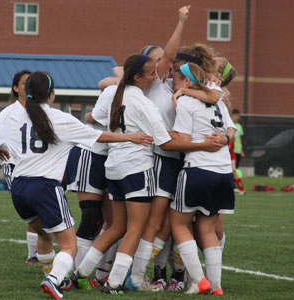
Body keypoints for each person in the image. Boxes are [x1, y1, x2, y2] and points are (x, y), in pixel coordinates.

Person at [0, 70, 154, 299]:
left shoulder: (14, 115)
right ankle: (54, 280)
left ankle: (53, 276)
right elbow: (99, 136)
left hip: (18, 188)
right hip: (44, 187)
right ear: (51, 94)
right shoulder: (58, 118)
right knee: (69, 246)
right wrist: (131, 137)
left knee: (44, 235)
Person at [74, 54, 223, 295]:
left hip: (113, 167)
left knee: (117, 227)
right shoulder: (143, 102)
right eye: (152, 73)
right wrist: (202, 145)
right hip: (136, 168)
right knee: (136, 228)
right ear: (137, 77)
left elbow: (96, 120)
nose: (157, 77)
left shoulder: (115, 93)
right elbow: (165, 143)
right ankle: (115, 283)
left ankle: (80, 271)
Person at [170, 62, 236, 295]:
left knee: (178, 223)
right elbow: (231, 129)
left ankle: (199, 280)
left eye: (176, 79)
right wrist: (225, 140)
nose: (174, 83)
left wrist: (162, 132)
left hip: (197, 168)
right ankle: (216, 286)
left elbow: (183, 137)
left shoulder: (187, 101)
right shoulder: (218, 100)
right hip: (224, 171)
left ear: (187, 81)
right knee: (208, 229)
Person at [0, 70, 41, 265]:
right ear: (16, 88)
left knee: (39, 211)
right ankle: (33, 255)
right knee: (33, 210)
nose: (27, 85)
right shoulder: (9, 112)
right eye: (24, 83)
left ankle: (35, 255)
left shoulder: (39, 109)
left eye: (30, 82)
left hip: (35, 167)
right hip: (13, 166)